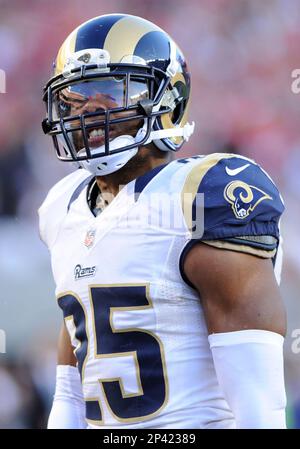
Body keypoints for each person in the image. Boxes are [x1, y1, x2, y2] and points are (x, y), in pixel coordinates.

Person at [39, 13, 287, 429]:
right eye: (75, 98)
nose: (88, 113)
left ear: (166, 100)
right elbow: (69, 393)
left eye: (110, 94)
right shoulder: (61, 208)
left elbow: (259, 405)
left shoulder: (201, 195)